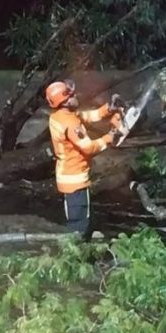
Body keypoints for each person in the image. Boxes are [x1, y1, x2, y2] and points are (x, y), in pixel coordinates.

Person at [46, 79, 124, 238]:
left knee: (84, 217)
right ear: (65, 101)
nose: (75, 96)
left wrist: (109, 109)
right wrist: (110, 137)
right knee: (78, 225)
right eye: (71, 95)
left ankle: (86, 248)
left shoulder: (60, 116)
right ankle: (75, 257)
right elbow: (89, 148)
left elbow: (87, 116)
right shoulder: (70, 123)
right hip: (74, 179)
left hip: (69, 176)